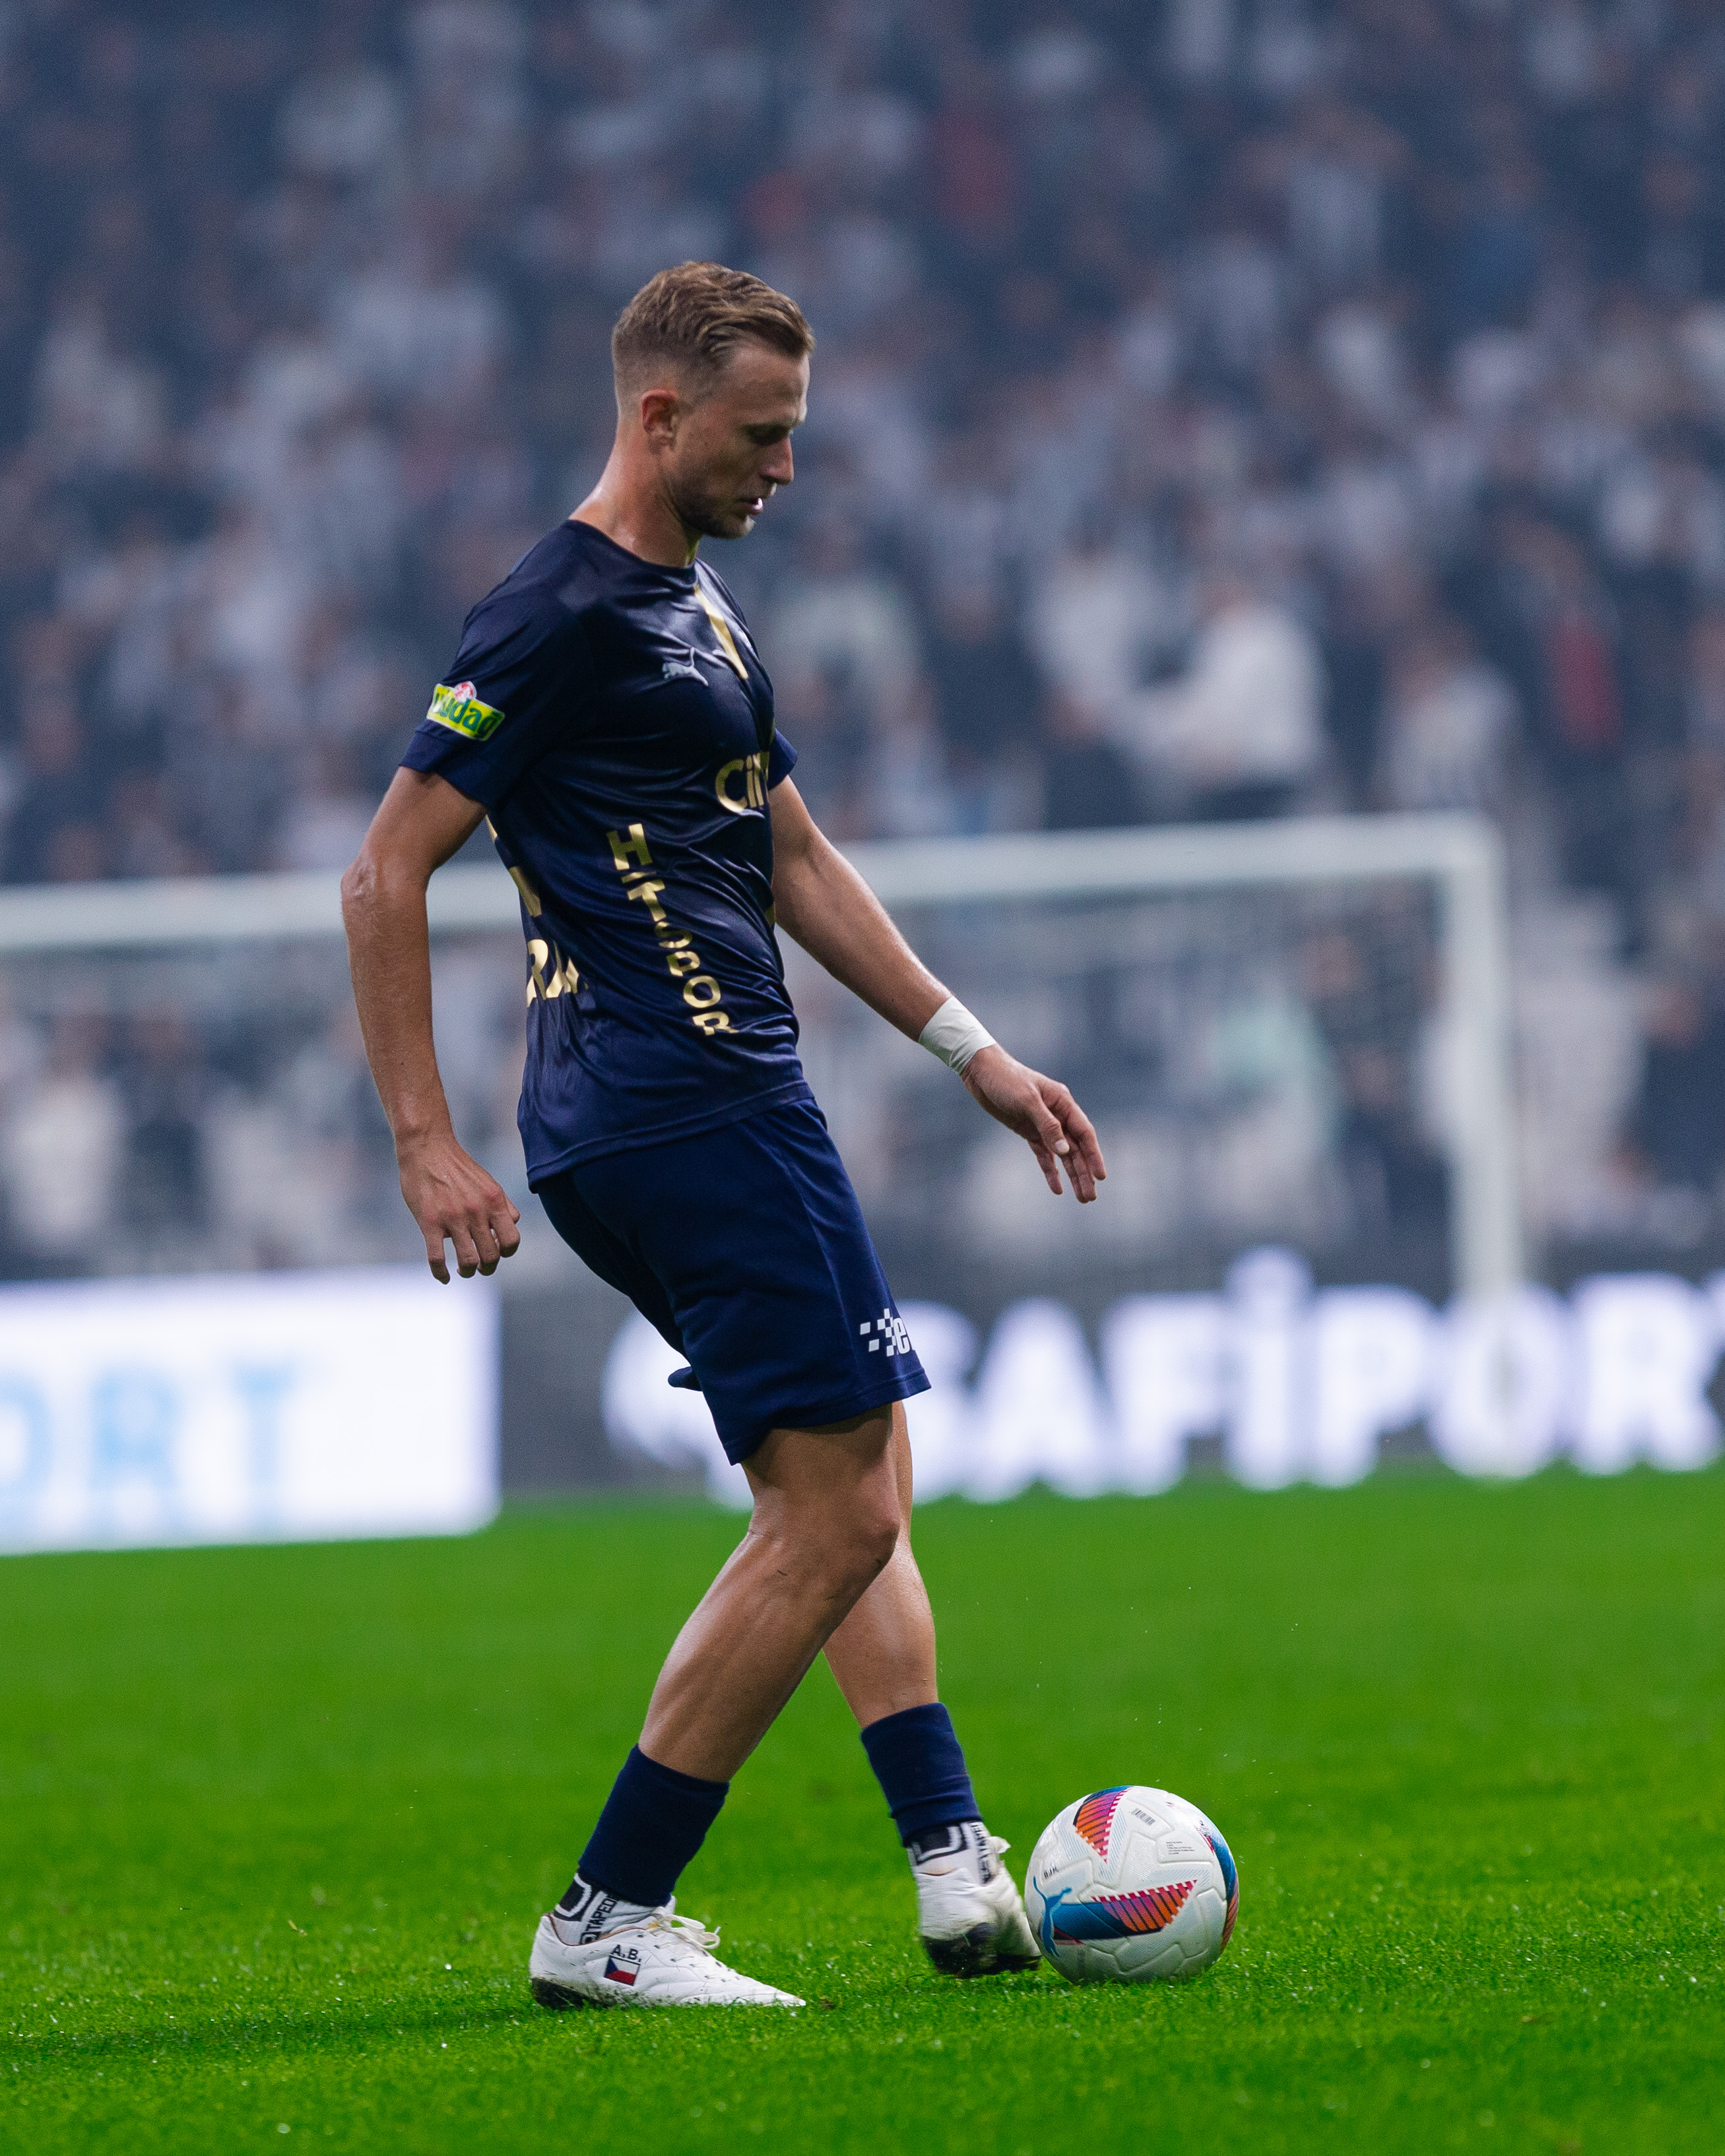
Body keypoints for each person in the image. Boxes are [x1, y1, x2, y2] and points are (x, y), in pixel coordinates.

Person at [342, 263, 1107, 2010]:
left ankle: (952, 1865)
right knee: (831, 1512)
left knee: (854, 1482)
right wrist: (419, 1140)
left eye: (795, 434)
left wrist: (973, 1053)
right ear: (661, 415)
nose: (786, 468)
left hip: (700, 1098)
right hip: (679, 1098)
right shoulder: (554, 611)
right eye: (761, 436)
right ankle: (609, 1915)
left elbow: (794, 857)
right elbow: (383, 872)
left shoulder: (696, 606)